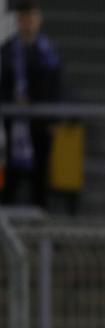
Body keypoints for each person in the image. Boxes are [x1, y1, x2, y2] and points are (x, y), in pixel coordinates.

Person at [0, 0, 62, 209]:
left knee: (40, 180)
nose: (26, 24)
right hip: (14, 127)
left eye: (30, 18)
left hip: (39, 127)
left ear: (38, 20)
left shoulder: (48, 52)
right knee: (10, 181)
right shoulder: (8, 51)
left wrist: (50, 117)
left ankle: (40, 236)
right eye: (22, 19)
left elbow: (55, 88)